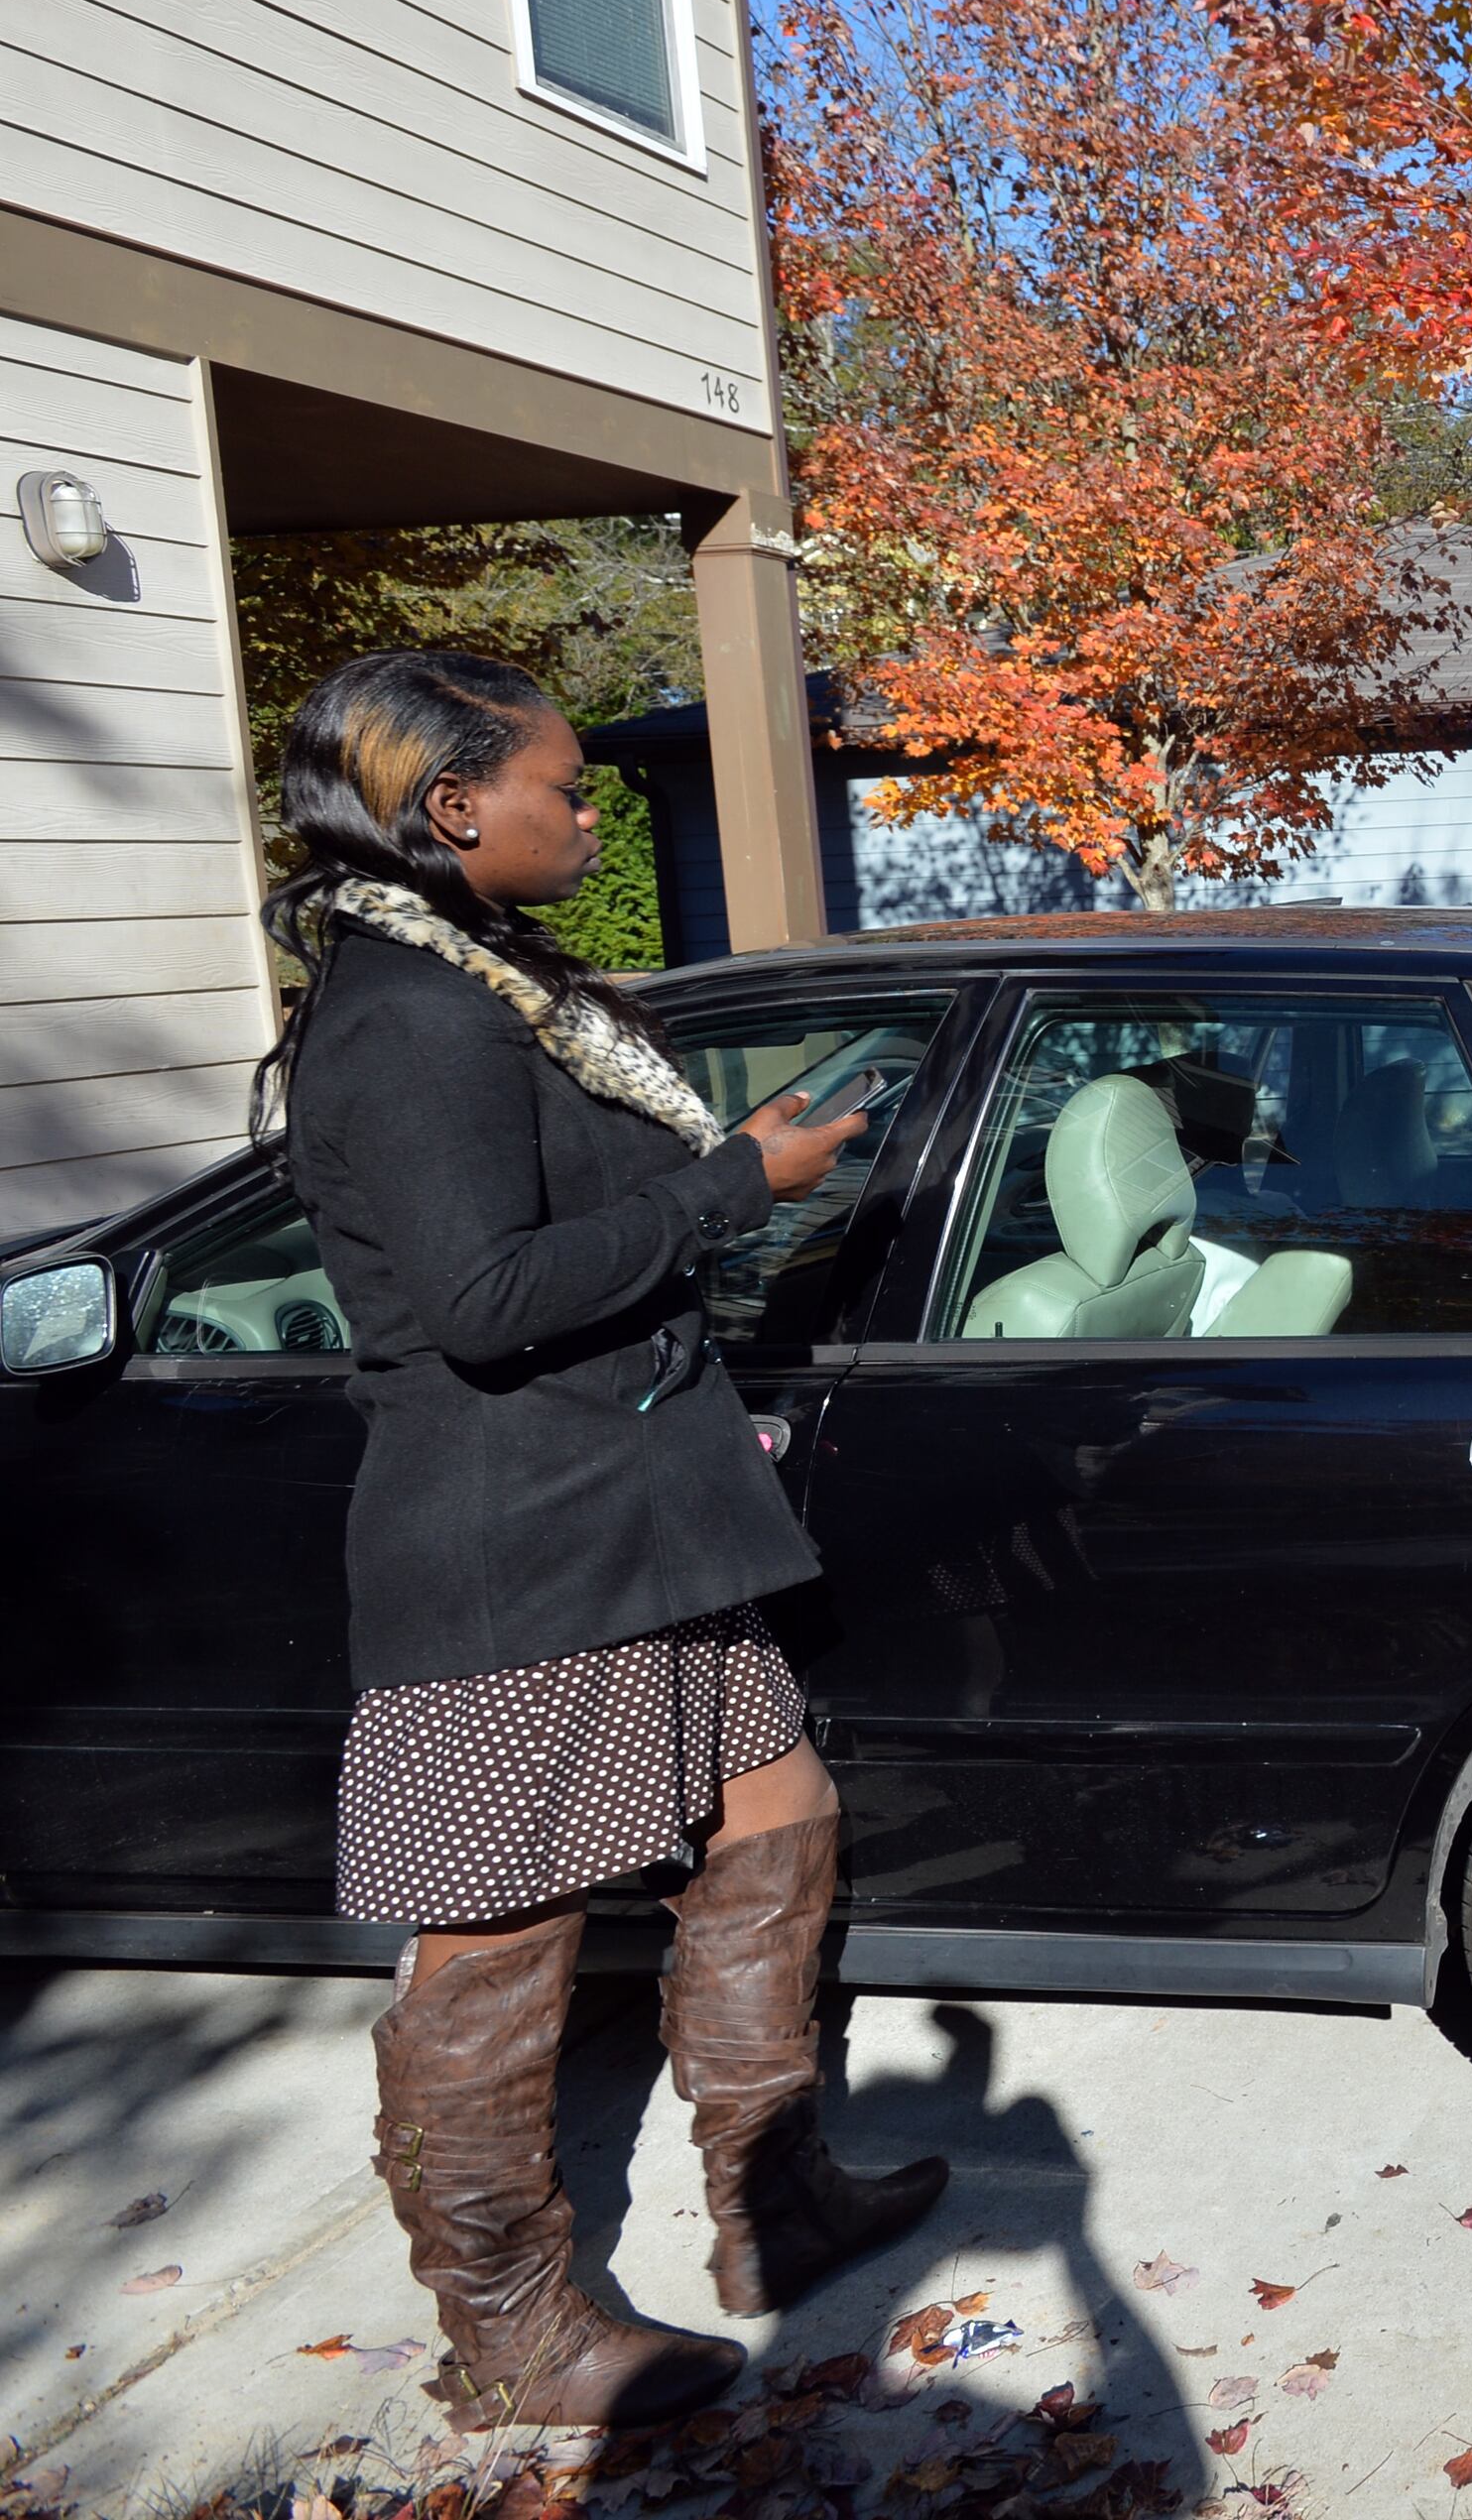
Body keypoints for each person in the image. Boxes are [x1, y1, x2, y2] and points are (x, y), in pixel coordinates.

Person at [255, 652, 948, 2432]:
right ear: (451, 806)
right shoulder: (408, 1016)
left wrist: (739, 1173)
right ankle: (510, 2328)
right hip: (519, 1543)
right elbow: (483, 1301)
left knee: (775, 1822)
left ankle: (771, 2206)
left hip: (643, 1514)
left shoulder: (487, 990)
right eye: (565, 785)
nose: (590, 806)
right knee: (494, 1944)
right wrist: (737, 1186)